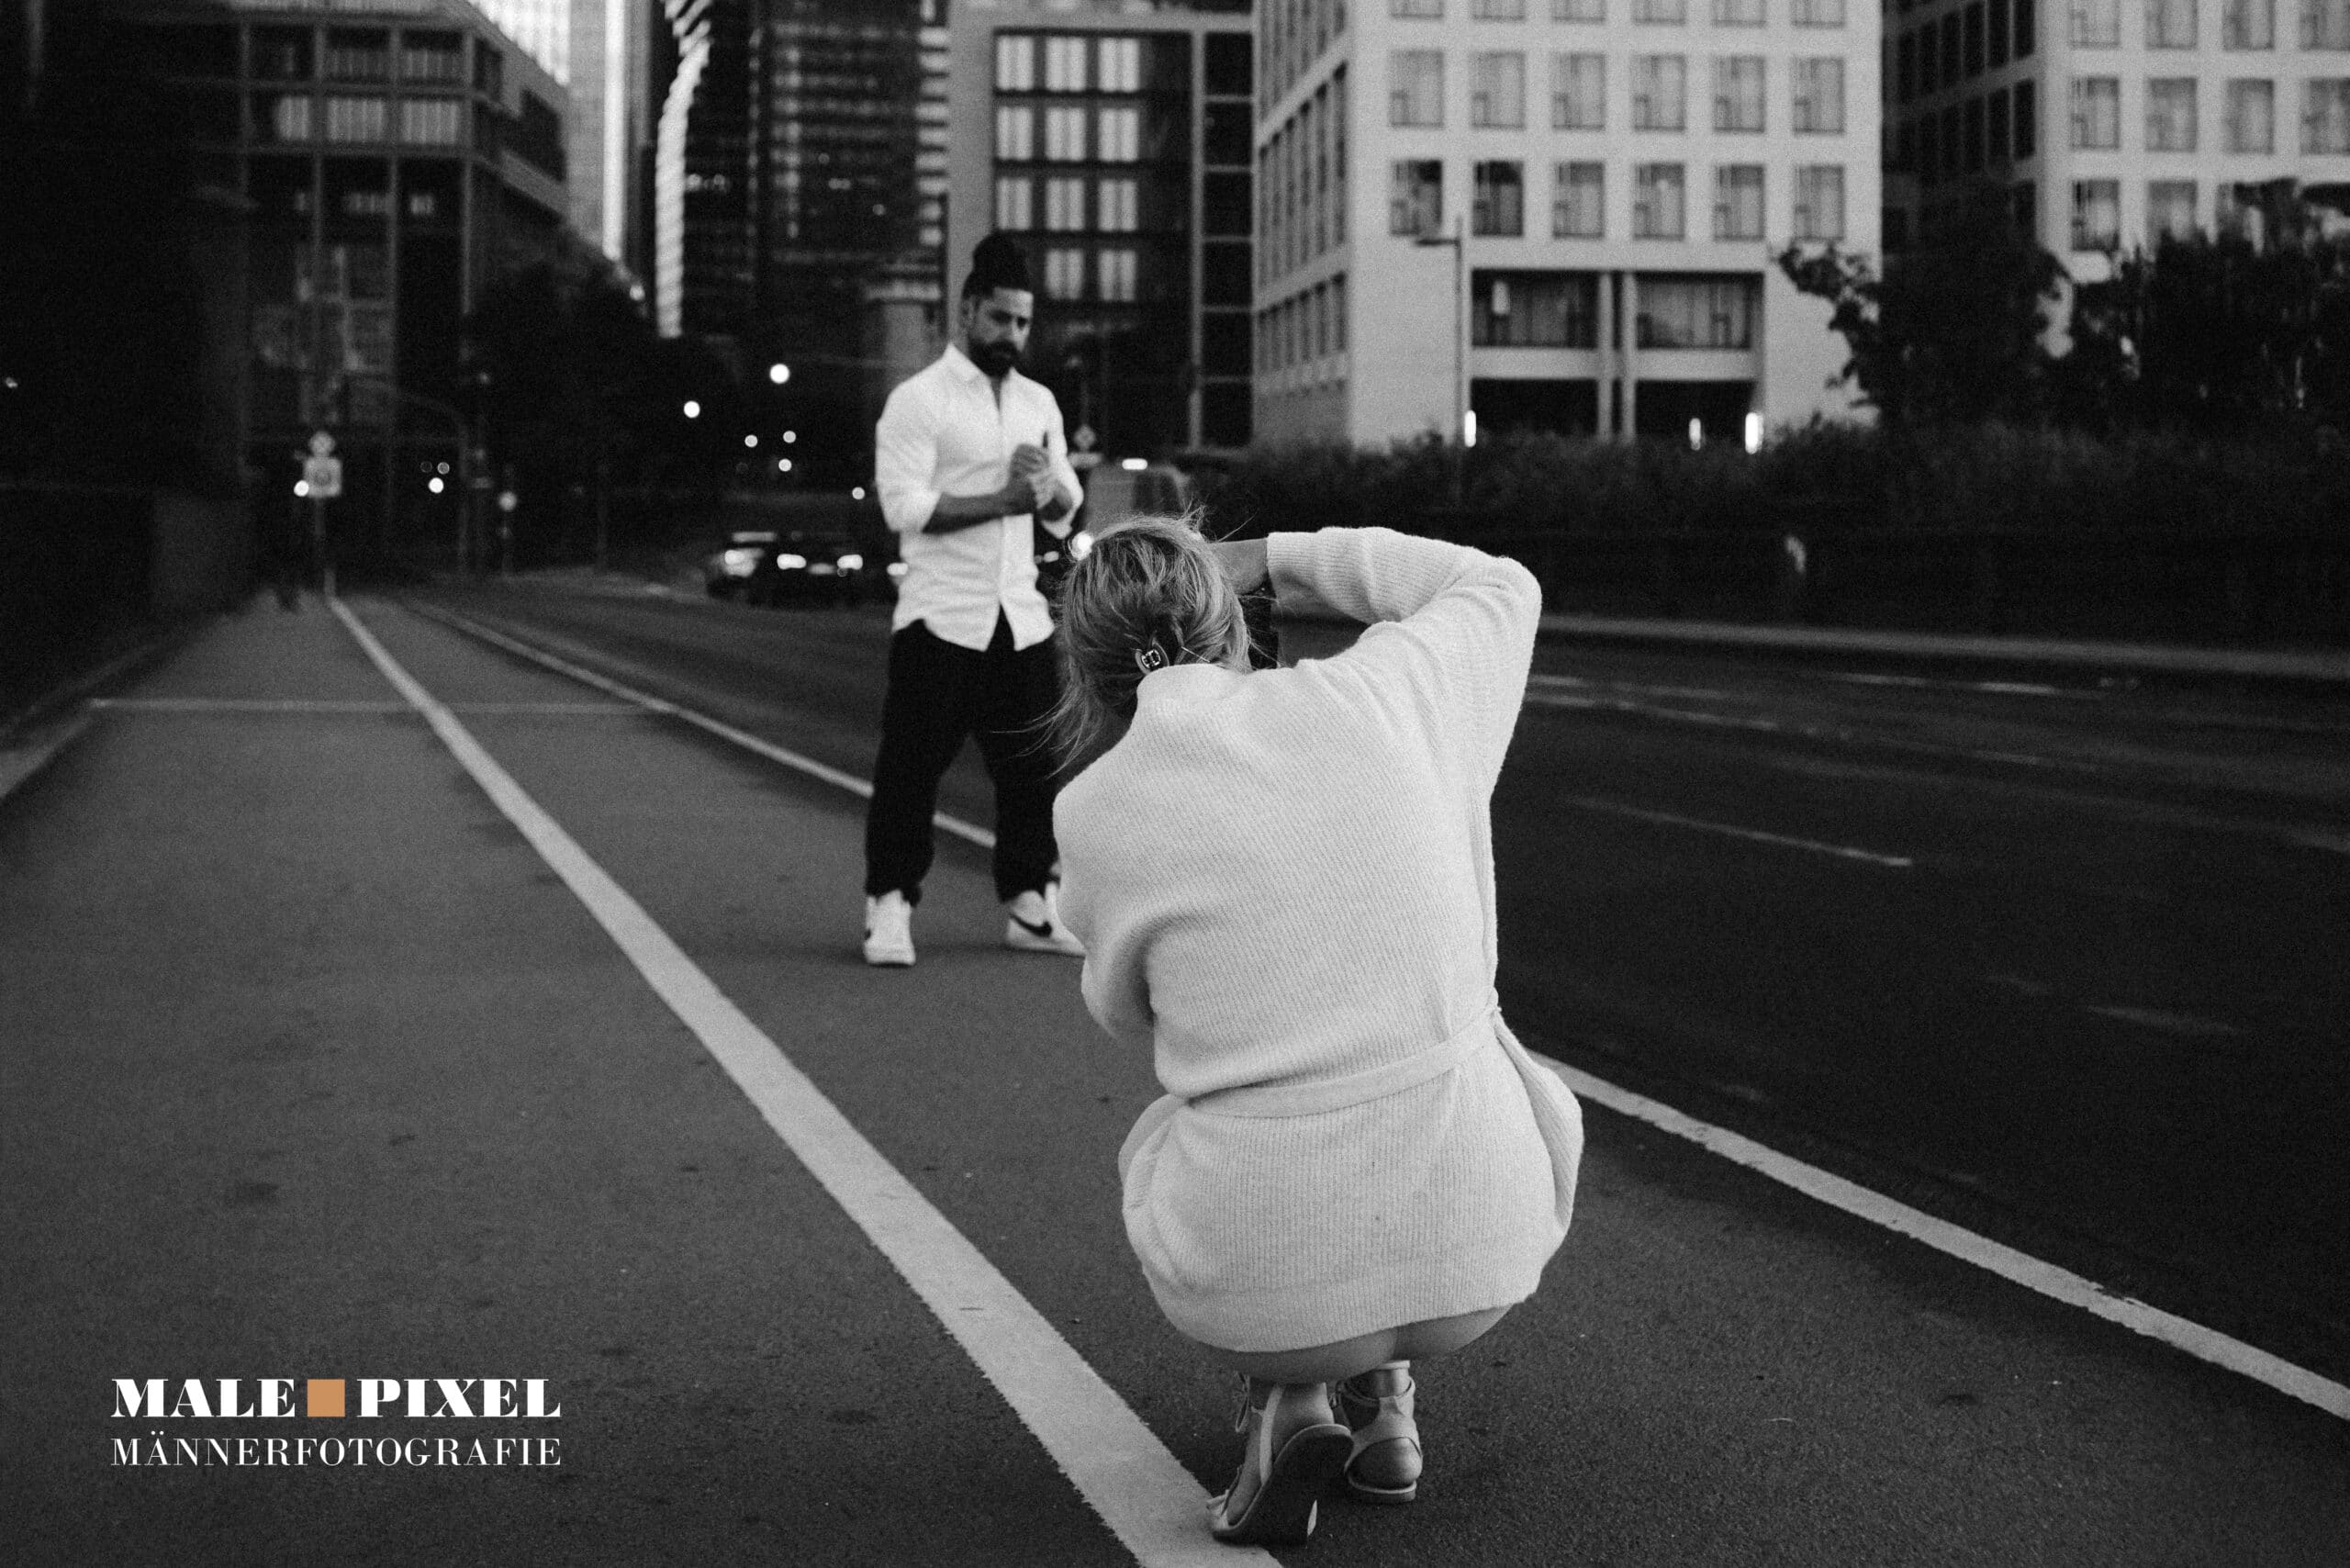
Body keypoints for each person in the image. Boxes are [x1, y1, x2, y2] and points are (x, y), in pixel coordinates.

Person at [1047, 518, 1585, 1547]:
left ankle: (1286, 1399)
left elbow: (1127, 1013)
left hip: (1264, 1278)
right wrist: (1283, 556)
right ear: (1233, 619)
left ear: (1092, 674)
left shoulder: (1096, 807)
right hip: (1480, 1248)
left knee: (1194, 1116)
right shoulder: (1384, 692)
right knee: (1386, 1062)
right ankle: (1386, 1408)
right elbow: (1497, 581)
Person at [865, 235, 1088, 967]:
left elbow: (1065, 507)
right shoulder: (917, 400)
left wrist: (1048, 488)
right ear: (967, 310)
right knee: (912, 768)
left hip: (1017, 616)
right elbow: (904, 507)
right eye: (1000, 320)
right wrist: (1005, 497)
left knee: (1033, 772)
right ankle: (890, 908)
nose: (1013, 337)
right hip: (940, 615)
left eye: (1023, 323)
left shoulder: (1039, 402)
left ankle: (1029, 905)